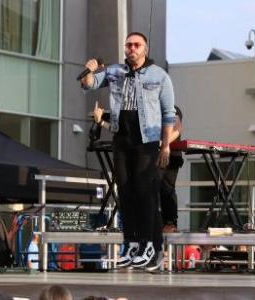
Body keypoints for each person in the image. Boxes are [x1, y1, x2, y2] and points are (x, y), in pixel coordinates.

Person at [82, 31, 175, 272]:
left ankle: (149, 246)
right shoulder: (115, 71)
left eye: (136, 45)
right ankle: (131, 243)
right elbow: (88, 84)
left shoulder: (159, 76)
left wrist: (165, 145)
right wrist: (89, 70)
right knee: (125, 192)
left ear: (145, 48)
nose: (131, 49)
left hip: (147, 139)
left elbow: (169, 114)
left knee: (145, 192)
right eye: (128, 45)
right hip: (121, 136)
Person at [160, 106, 184, 233]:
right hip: (156, 155)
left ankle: (170, 223)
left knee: (167, 188)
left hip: (171, 155)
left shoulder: (172, 109)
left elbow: (177, 128)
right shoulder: (150, 109)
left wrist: (163, 143)